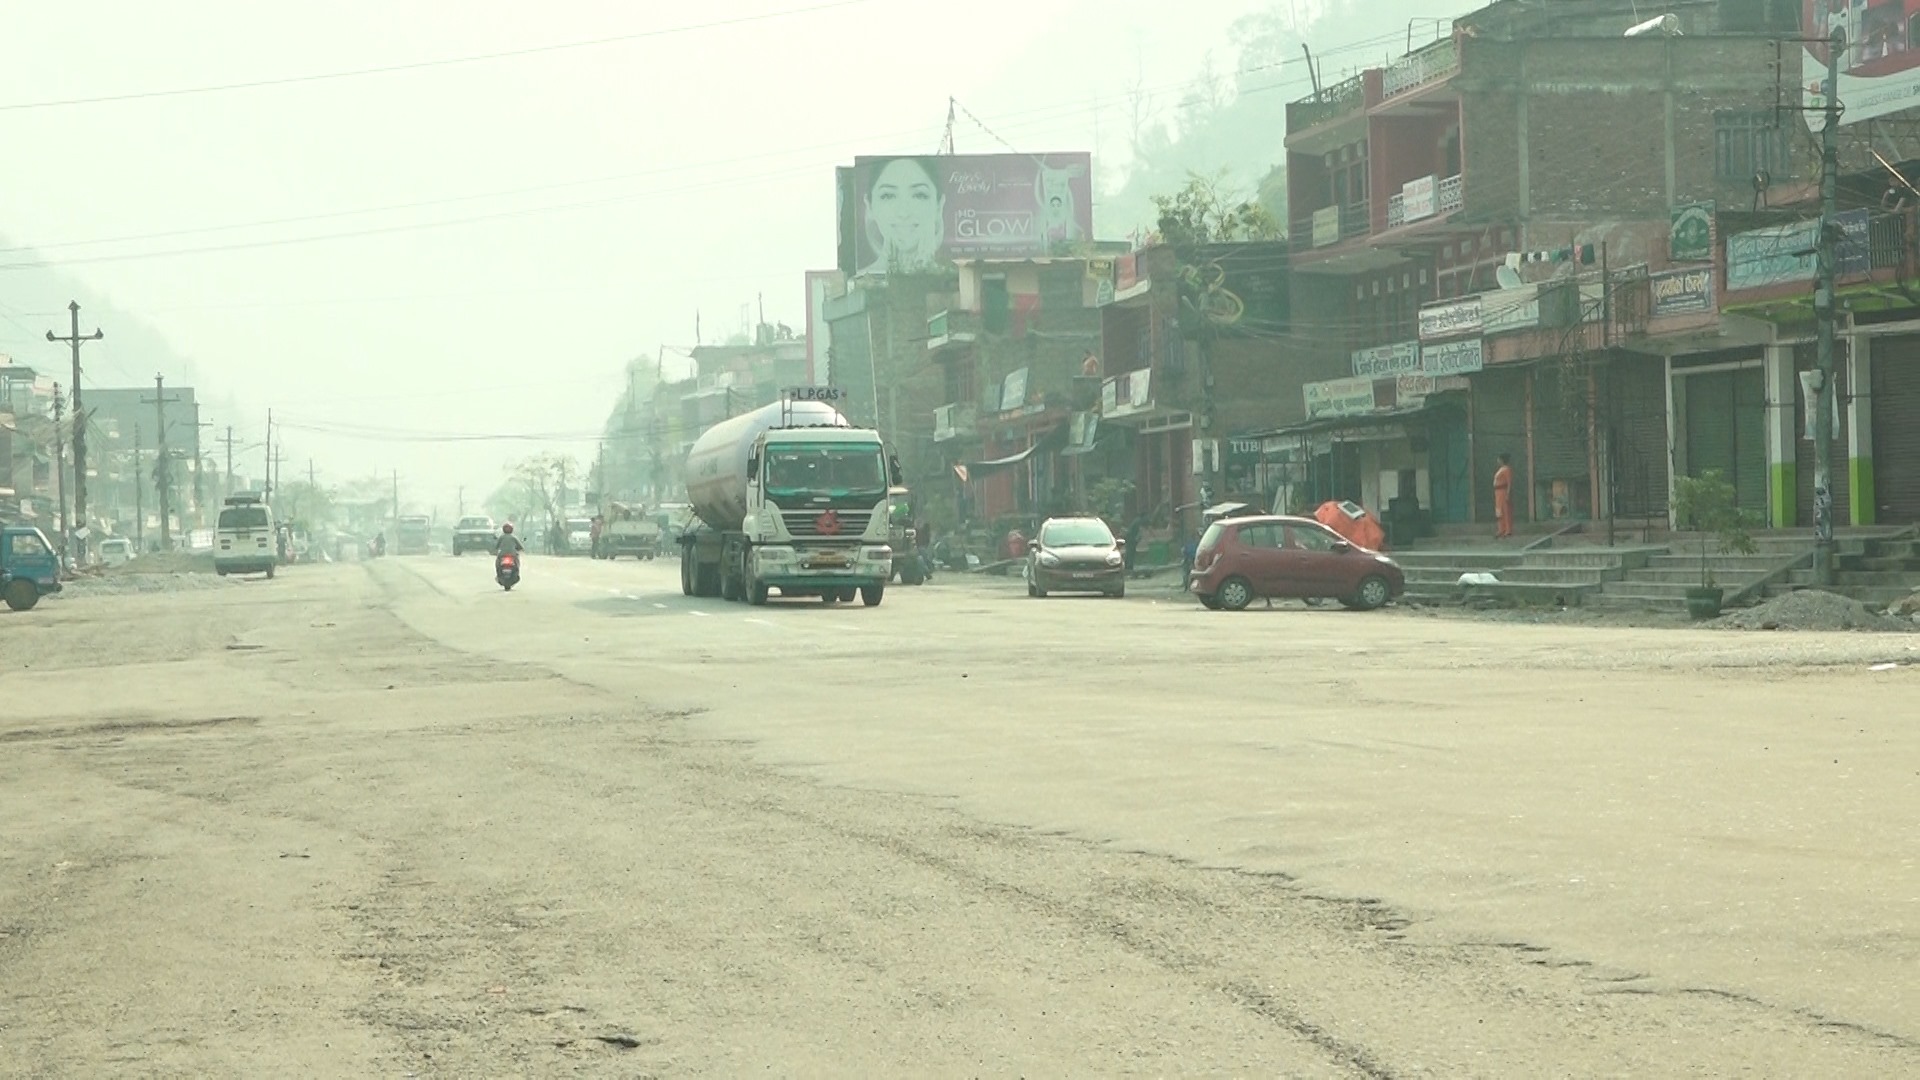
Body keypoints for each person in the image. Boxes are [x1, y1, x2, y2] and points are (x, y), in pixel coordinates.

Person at [859, 156, 944, 276]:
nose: (904, 213)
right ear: (869, 206)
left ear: (939, 206)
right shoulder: (858, 283)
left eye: (919, 195)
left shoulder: (954, 279)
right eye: (888, 196)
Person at [1493, 452, 1515, 539]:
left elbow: (1509, 482)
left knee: (1505, 510)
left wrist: (1508, 494)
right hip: (1498, 492)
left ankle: (1508, 530)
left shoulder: (1506, 469)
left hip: (1503, 491)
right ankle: (1501, 529)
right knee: (1499, 511)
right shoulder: (1500, 470)